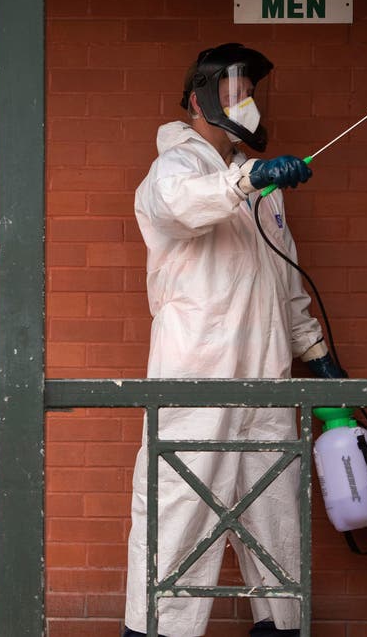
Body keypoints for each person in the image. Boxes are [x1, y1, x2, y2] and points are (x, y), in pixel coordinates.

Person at [123, 43, 346, 637]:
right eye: (232, 91)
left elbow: (286, 282)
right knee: (178, 521)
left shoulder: (260, 196)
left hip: (266, 385)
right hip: (197, 382)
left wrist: (318, 356)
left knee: (276, 528)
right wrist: (249, 178)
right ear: (200, 98)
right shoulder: (176, 168)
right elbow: (178, 208)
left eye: (249, 92)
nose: (245, 103)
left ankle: (281, 628)